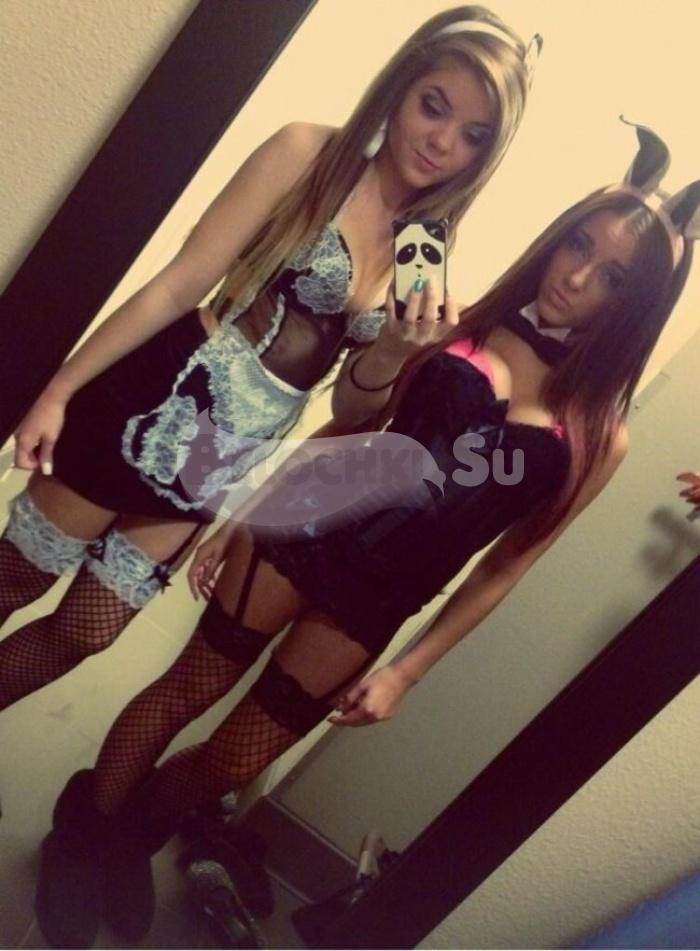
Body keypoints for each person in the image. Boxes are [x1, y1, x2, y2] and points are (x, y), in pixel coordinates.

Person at [35, 119, 699, 945]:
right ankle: (88, 830)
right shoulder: (463, 316)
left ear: (636, 305)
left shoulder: (600, 435)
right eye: (578, 245)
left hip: (378, 601)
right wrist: (247, 511)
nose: (576, 276)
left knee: (235, 759)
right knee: (183, 693)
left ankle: (134, 828)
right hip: (302, 531)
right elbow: (355, 424)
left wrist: (407, 672)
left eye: (612, 275)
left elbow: (507, 565)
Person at [0, 7, 537, 724]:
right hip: (158, 398)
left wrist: (393, 349)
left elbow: (350, 411)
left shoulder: (425, 253)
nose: (442, 142)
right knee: (14, 581)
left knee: (85, 633)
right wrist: (60, 388)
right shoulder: (309, 154)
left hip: (224, 456)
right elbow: (178, 284)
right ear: (399, 89)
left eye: (473, 135)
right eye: (433, 106)